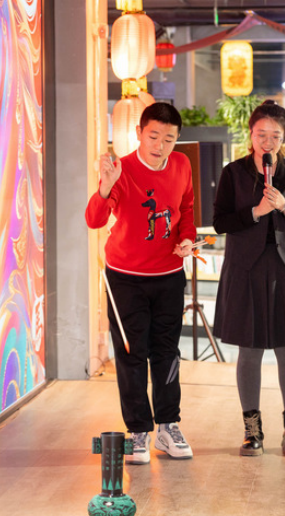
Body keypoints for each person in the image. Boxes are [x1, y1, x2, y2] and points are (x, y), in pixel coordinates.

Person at [85, 103, 196, 465]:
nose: (160, 145)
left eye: (169, 139)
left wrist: (187, 239)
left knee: (167, 352)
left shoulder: (182, 165)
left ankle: (167, 425)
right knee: (132, 354)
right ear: (138, 133)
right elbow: (94, 220)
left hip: (169, 275)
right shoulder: (122, 169)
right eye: (153, 136)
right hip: (125, 278)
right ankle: (138, 431)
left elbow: (186, 209)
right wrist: (106, 186)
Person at [212, 100, 285, 457]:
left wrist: (284, 207)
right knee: (250, 348)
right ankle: (251, 430)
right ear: (251, 134)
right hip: (246, 267)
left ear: (284, 137)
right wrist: (256, 211)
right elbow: (220, 222)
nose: (267, 142)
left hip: (284, 266)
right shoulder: (233, 173)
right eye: (261, 135)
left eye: (275, 136)